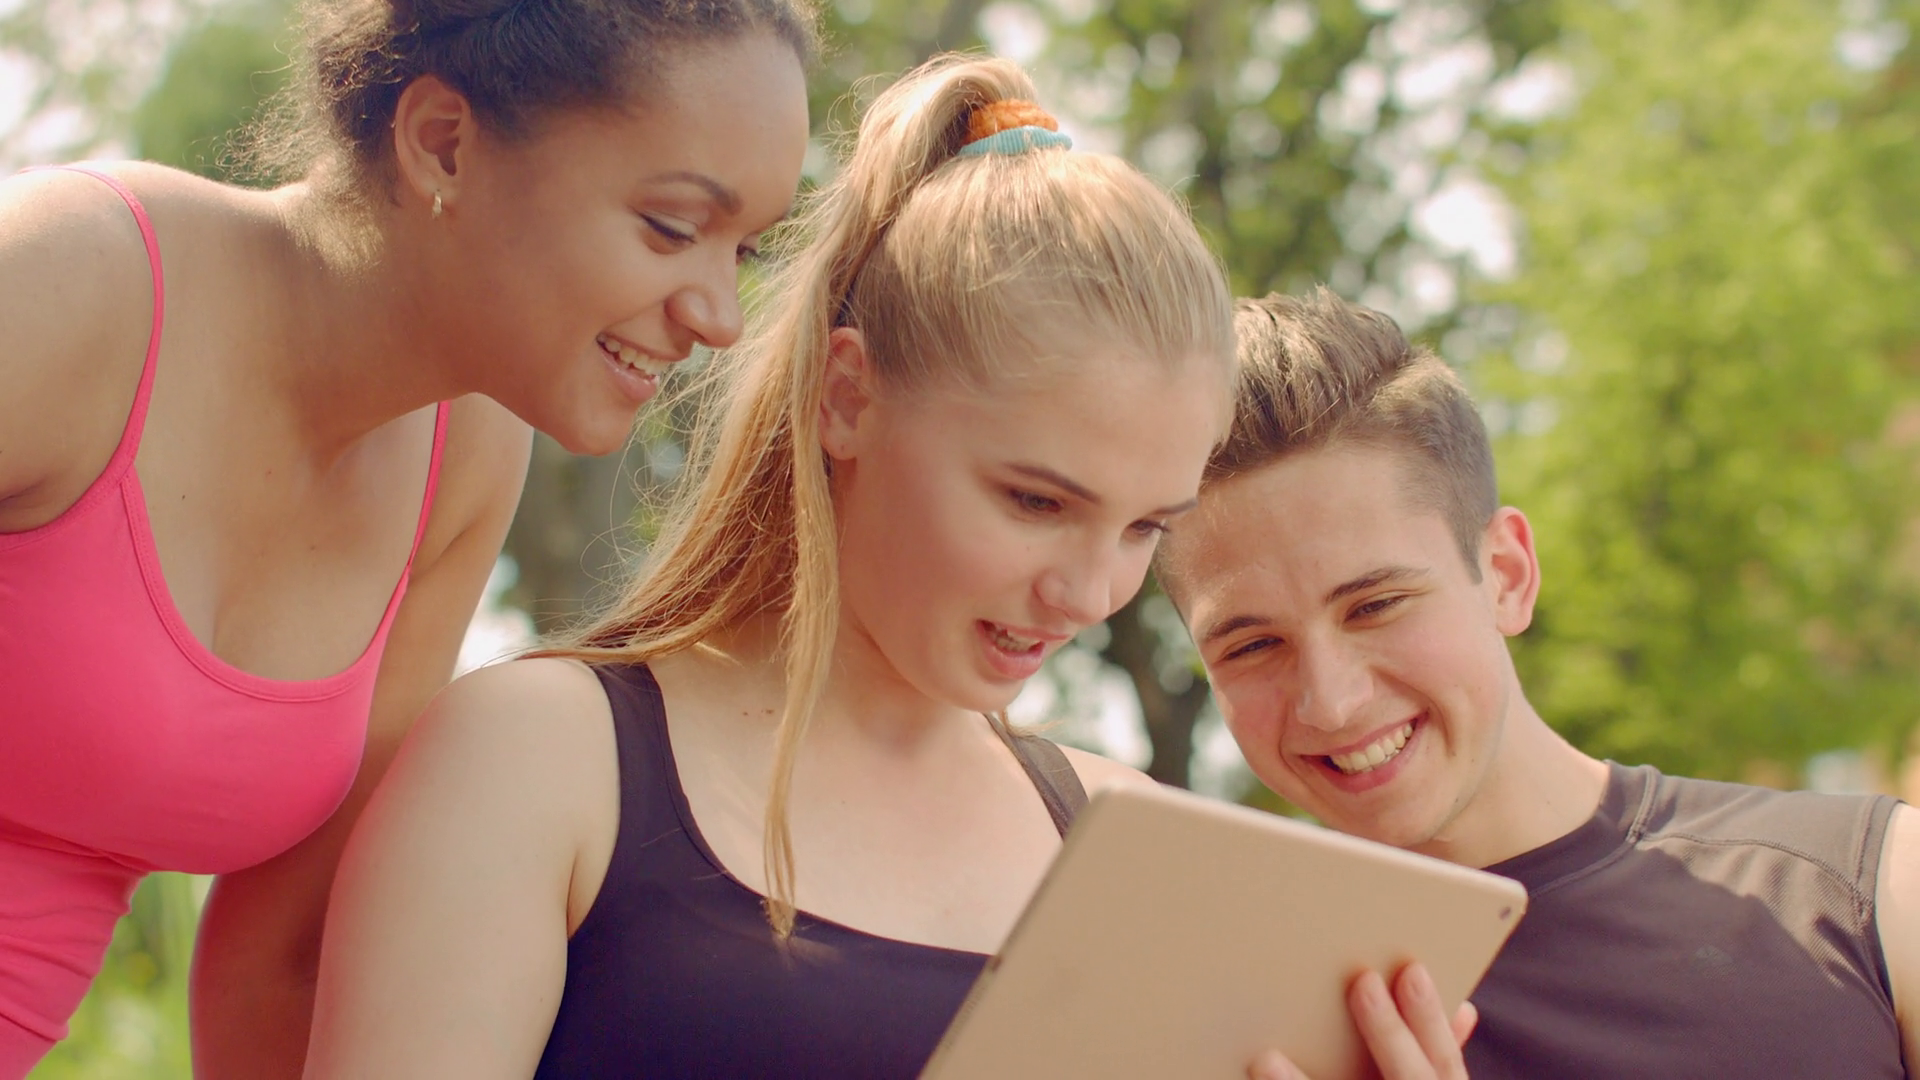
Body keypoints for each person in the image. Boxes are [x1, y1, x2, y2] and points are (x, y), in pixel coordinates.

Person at [300, 57, 1474, 1080]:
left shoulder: (1141, 846)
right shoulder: (539, 758)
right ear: (850, 395)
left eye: (1142, 531)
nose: (1086, 594)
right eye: (1034, 501)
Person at [0, 0, 813, 1073]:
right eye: (671, 227)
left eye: (742, 250)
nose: (719, 315)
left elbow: (285, 962)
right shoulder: (71, 285)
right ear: (444, 143)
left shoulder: (465, 461)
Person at [1157, 287, 1920, 1078]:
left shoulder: (1865, 894)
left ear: (1508, 575)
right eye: (1251, 646)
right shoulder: (1192, 1031)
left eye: (1376, 605)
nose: (1331, 700)